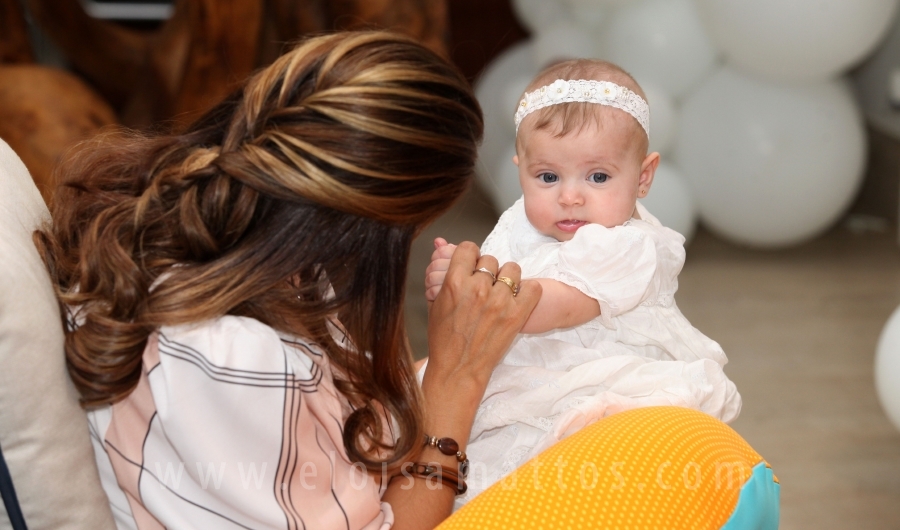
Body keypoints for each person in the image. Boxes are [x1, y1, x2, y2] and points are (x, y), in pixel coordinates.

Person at [36, 31, 543, 530]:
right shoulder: (238, 356)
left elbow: (339, 419)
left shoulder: (232, 254)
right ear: (379, 232)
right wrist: (458, 380)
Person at [424, 59, 742, 505]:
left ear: (643, 176)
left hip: (593, 380)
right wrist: (454, 281)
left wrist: (474, 286)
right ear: (522, 171)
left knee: (562, 465)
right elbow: (488, 296)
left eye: (598, 177)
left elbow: (550, 304)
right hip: (517, 367)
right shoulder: (519, 223)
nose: (570, 195)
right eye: (548, 177)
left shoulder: (627, 246)